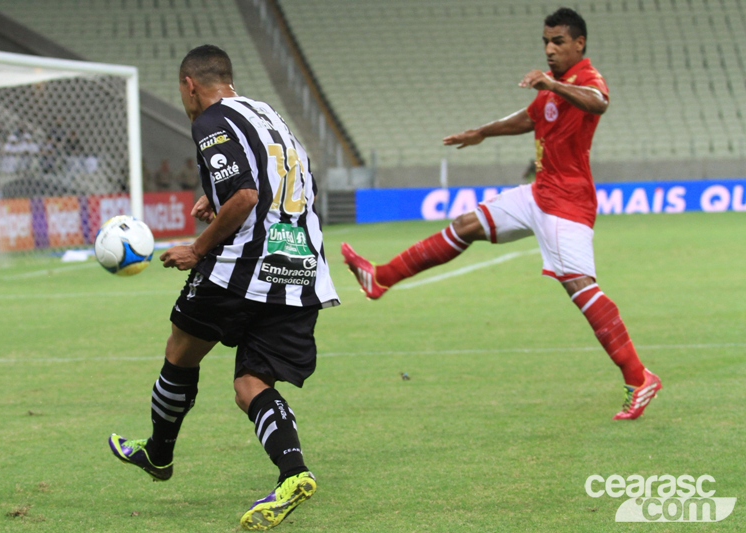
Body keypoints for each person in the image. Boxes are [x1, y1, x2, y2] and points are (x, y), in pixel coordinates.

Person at [342, 7, 661, 421]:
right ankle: (381, 277)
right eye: (546, 41)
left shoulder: (585, 79)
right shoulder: (554, 88)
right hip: (539, 193)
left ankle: (639, 378)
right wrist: (482, 132)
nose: (549, 49)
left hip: (568, 203)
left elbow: (599, 103)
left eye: (558, 42)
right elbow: (527, 118)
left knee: (581, 289)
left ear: (579, 44)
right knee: (466, 225)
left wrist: (550, 83)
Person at [109, 44, 340, 530]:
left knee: (181, 350)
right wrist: (215, 198)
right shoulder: (266, 113)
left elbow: (247, 194)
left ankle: (159, 453)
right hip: (300, 266)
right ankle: (293, 474)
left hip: (243, 266)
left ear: (190, 86)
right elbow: (275, 179)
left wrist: (198, 248)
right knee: (250, 385)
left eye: (182, 92)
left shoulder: (209, 120)